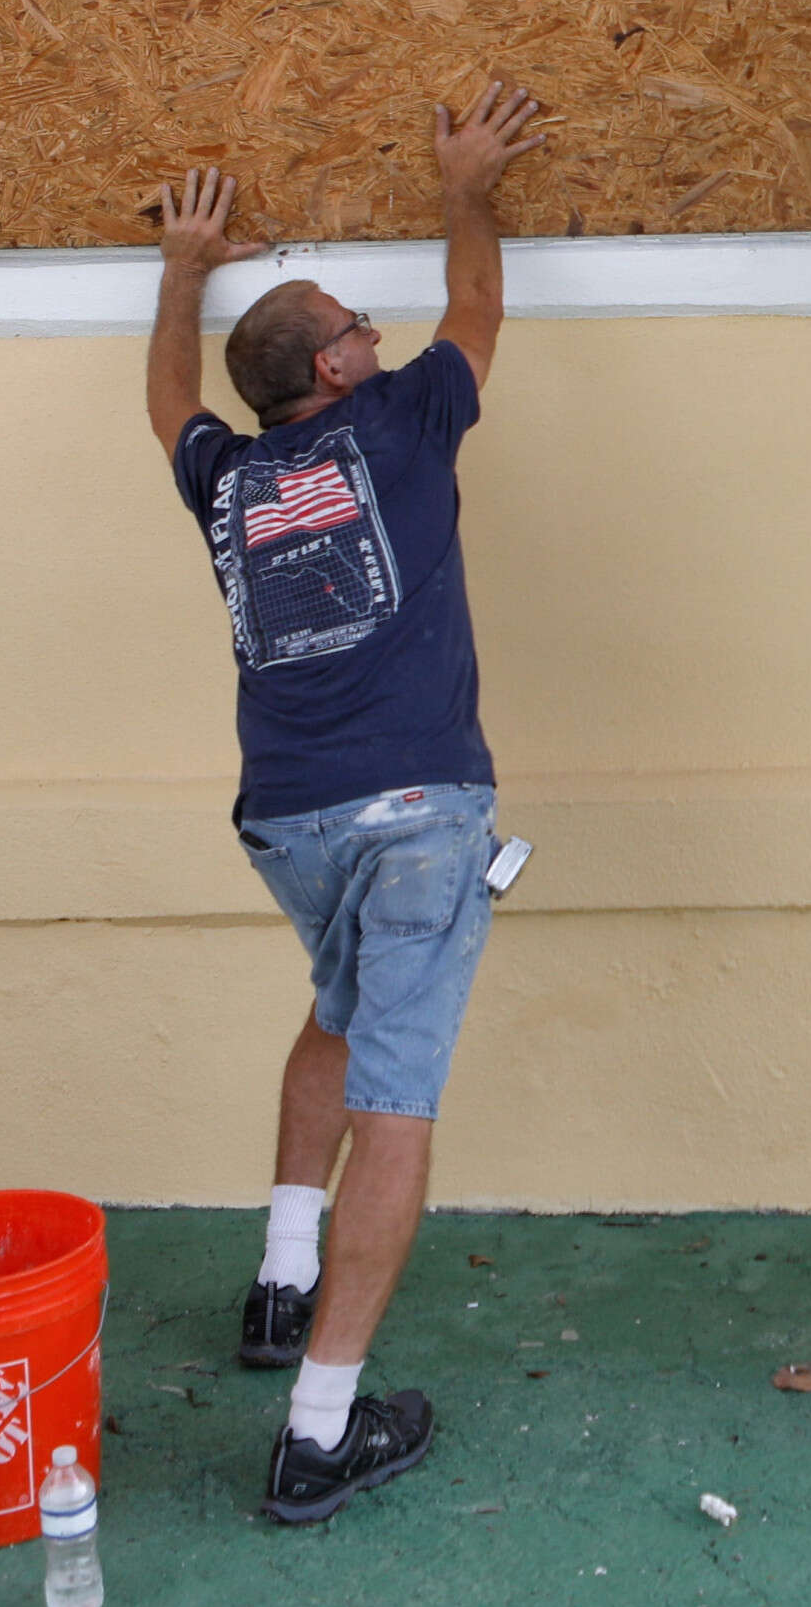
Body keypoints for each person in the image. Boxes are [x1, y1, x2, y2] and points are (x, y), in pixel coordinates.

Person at [140, 79, 546, 1527]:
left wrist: (183, 269)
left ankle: (280, 1275)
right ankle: (320, 1427)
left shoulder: (233, 481)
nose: (381, 327)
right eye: (355, 318)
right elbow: (482, 297)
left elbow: (167, 403)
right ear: (336, 365)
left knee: (334, 1011)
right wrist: (465, 179)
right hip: (422, 817)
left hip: (291, 825)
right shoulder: (404, 423)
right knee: (396, 1101)